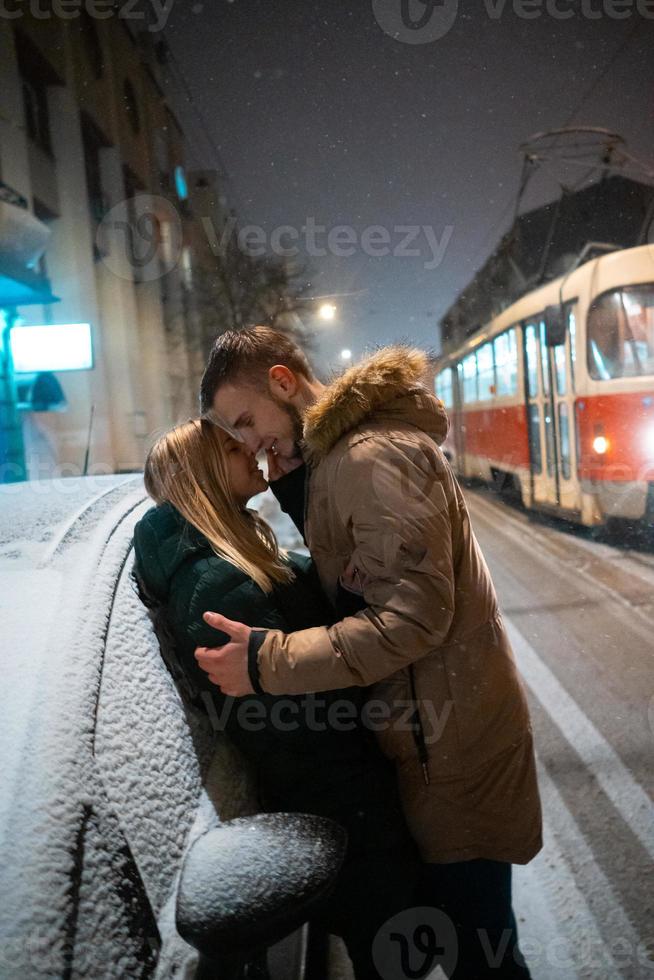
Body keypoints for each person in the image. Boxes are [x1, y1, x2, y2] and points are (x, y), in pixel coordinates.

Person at [194, 326, 543, 980]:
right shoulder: (336, 462)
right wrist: (296, 487)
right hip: (432, 743)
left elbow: (411, 618)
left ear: (282, 381)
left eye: (246, 421)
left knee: (484, 958)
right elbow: (357, 580)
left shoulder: (370, 459)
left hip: (457, 754)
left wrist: (268, 661)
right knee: (473, 950)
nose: (248, 443)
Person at [131, 417, 421, 980]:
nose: (250, 451)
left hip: (344, 797)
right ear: (203, 475)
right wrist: (355, 665)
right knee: (392, 956)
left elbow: (297, 599)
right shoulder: (212, 584)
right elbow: (291, 723)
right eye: (231, 446)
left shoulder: (235, 551)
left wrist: (347, 588)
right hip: (340, 803)